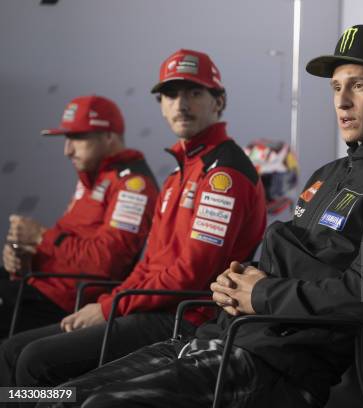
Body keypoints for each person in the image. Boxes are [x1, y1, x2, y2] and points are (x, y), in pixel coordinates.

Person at [44, 25, 363, 408]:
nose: (342, 102)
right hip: (222, 336)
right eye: (336, 87)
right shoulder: (329, 174)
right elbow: (283, 263)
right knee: (57, 396)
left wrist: (261, 293)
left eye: (358, 84)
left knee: (99, 403)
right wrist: (235, 283)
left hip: (278, 368)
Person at [0, 49, 267, 390]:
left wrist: (110, 306)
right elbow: (150, 263)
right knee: (13, 352)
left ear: (219, 101)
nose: (181, 104)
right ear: (160, 105)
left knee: (33, 361)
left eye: (194, 92)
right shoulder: (180, 171)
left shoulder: (224, 173)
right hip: (149, 309)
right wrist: (107, 305)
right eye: (171, 94)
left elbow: (191, 274)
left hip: (184, 319)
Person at [0, 95, 158, 338]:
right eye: (66, 137)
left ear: (109, 136)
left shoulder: (133, 185)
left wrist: (42, 236)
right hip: (36, 286)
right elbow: (68, 245)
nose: (67, 150)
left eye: (77, 137)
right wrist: (23, 256)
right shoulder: (91, 177)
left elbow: (105, 264)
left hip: (63, 305)